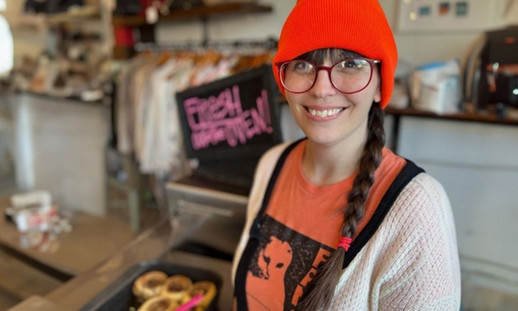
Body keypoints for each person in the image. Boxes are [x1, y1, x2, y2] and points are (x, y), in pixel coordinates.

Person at [232, 0, 461, 310]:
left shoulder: (417, 210)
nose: (323, 89)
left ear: (380, 84)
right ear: (284, 83)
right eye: (302, 64)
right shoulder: (271, 164)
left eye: (350, 64)